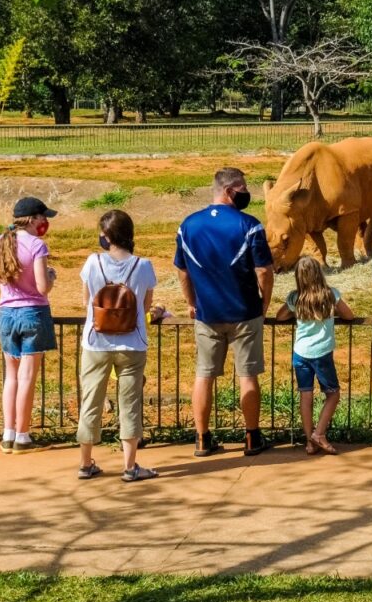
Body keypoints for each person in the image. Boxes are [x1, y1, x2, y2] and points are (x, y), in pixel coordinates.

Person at [175, 167, 274, 457]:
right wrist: (264, 302)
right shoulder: (250, 225)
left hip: (207, 314)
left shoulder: (188, 225)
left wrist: (191, 302)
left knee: (204, 375)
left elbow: (182, 271)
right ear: (229, 191)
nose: (247, 193)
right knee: (248, 375)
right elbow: (264, 271)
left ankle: (202, 438)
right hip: (245, 312)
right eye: (243, 188)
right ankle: (252, 438)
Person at [76, 210, 159, 482]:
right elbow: (145, 305)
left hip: (96, 342)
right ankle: (130, 466)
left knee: (91, 401)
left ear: (107, 236)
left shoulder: (92, 262)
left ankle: (85, 463)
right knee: (130, 404)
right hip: (132, 343)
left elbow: (86, 301)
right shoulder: (143, 266)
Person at [0, 196, 57, 455]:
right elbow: (42, 287)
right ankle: (23, 436)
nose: (45, 221)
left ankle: (8, 434)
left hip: (7, 314)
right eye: (43, 216)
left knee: (12, 376)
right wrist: (51, 277)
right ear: (33, 219)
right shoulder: (37, 245)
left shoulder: (1, 241)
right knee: (27, 377)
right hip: (33, 313)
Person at [276, 256, 354, 455]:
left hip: (300, 353)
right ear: (319, 273)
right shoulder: (330, 295)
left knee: (306, 395)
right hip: (322, 353)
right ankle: (319, 434)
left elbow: (280, 316)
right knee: (333, 394)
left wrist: (295, 311)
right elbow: (349, 315)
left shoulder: (295, 298)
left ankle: (309, 442)